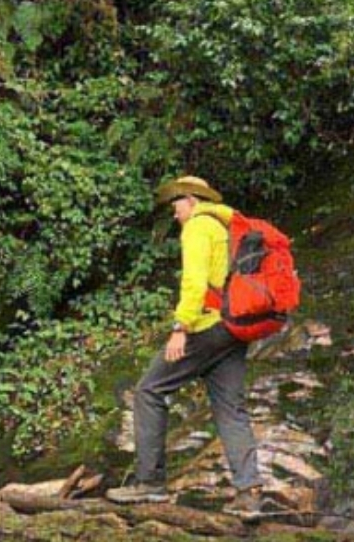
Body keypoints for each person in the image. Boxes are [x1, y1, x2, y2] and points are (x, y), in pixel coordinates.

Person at [106, 176, 265, 510]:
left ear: (191, 199)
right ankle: (248, 494)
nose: (174, 212)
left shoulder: (197, 226)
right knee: (231, 409)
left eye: (175, 204)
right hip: (234, 329)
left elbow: (194, 281)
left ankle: (149, 483)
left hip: (206, 326)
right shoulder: (226, 227)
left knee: (149, 391)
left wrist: (181, 327)